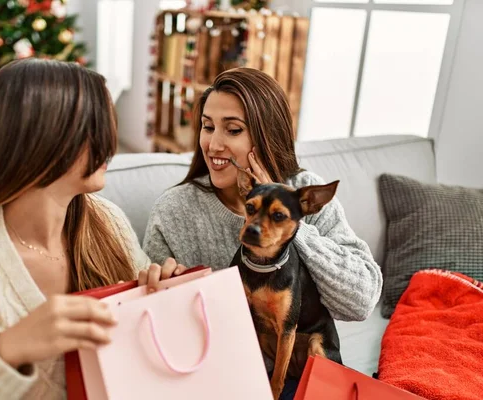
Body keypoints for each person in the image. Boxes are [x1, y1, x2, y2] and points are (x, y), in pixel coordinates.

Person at [0, 58, 180, 399]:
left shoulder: (107, 223)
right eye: (96, 130)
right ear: (44, 139)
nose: (111, 145)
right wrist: (7, 350)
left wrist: (163, 296)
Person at [142, 67, 383, 399]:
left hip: (302, 373)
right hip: (220, 376)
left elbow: (361, 301)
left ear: (266, 135)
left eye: (233, 130)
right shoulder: (175, 210)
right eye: (207, 126)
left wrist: (286, 219)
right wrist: (165, 288)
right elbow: (155, 323)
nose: (213, 144)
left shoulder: (304, 193)